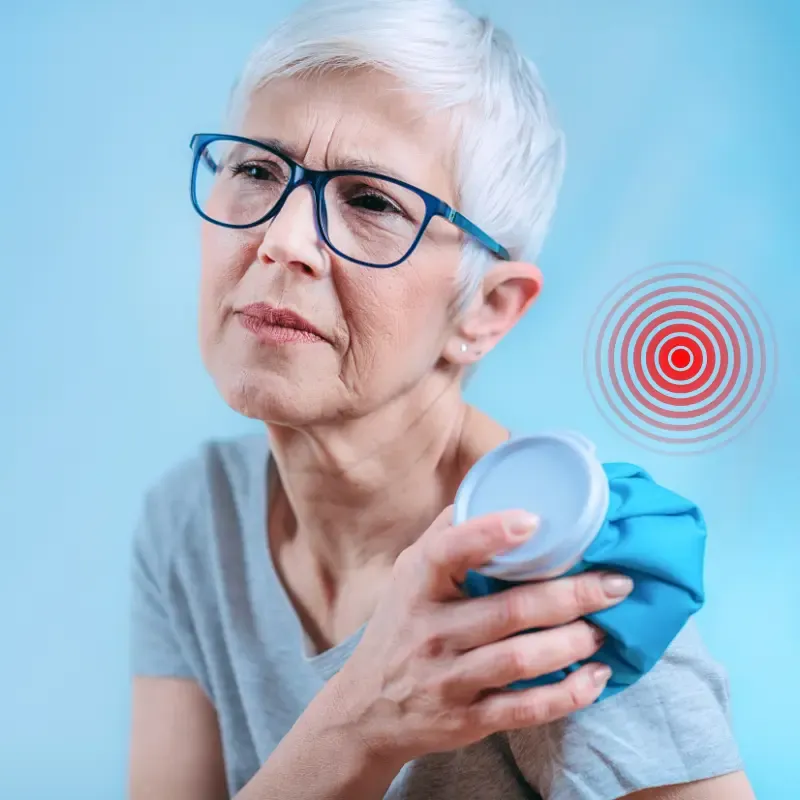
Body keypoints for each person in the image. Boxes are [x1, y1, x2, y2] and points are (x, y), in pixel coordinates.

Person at [129, 1, 754, 798]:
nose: (283, 240)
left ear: (485, 310)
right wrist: (361, 720)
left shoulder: (564, 601)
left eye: (371, 201)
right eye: (257, 169)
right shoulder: (194, 521)